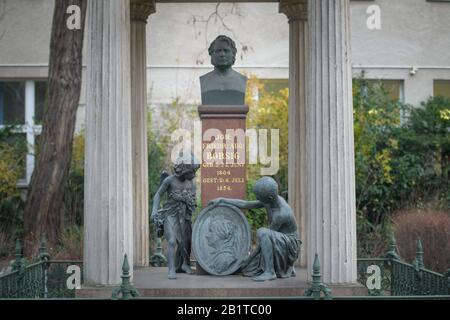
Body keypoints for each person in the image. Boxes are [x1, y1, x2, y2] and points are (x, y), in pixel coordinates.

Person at [208, 176, 300, 281]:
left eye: (259, 196)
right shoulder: (271, 200)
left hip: (290, 245)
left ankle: (270, 272)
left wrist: (248, 259)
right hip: (279, 239)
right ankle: (281, 267)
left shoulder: (281, 213)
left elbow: (265, 240)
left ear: (269, 197)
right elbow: (246, 204)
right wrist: (222, 200)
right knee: (248, 269)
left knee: (262, 232)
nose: (257, 198)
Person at [151, 156, 200, 280]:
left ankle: (185, 264)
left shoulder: (191, 183)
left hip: (184, 215)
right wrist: (154, 211)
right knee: (172, 240)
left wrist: (189, 201)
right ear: (184, 169)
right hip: (170, 215)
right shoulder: (169, 180)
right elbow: (158, 195)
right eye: (192, 171)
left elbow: (193, 200)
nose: (194, 175)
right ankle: (171, 269)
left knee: (186, 242)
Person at [200, 35, 247, 105]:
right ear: (211, 54)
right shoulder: (204, 80)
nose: (222, 54)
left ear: (233, 54)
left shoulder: (241, 80)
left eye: (226, 51)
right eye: (218, 51)